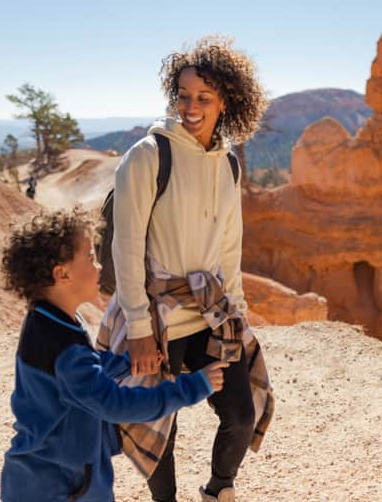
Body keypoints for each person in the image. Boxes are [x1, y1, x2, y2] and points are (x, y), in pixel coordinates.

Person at [101, 36, 274, 502]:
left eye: (203, 98)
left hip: (210, 310)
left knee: (240, 411)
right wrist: (138, 325)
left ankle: (218, 489)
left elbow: (229, 246)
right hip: (157, 315)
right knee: (163, 423)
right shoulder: (148, 155)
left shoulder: (227, 163)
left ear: (226, 101)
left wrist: (235, 309)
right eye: (183, 95)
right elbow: (127, 243)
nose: (190, 107)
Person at [0, 207, 228, 502]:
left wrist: (128, 365)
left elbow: (87, 369)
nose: (99, 267)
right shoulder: (63, 343)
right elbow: (116, 404)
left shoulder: (48, 321)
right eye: (90, 257)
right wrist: (194, 387)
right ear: (62, 273)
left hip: (44, 480)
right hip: (58, 488)